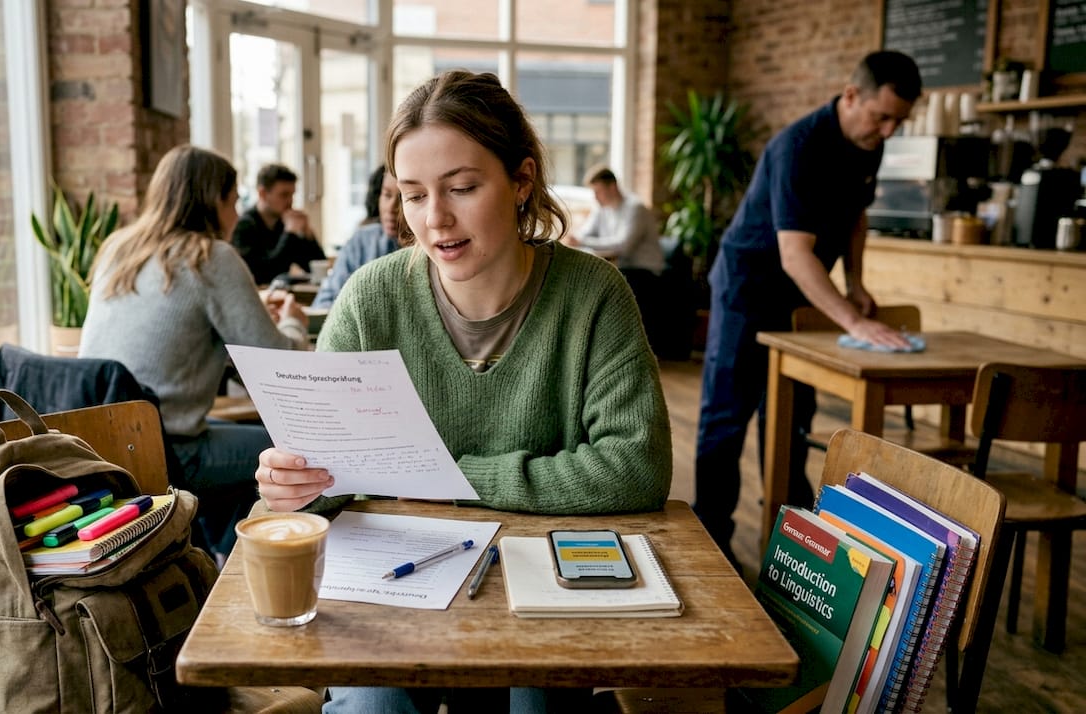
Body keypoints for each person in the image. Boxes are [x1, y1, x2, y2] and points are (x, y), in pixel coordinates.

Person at [255, 70, 673, 714]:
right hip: (391, 584)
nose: (435, 219)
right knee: (374, 710)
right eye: (413, 195)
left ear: (522, 180)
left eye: (462, 188)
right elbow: (331, 478)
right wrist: (295, 483)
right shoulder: (369, 300)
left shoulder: (594, 294)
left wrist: (451, 478)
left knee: (538, 703)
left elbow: (635, 467)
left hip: (541, 580)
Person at [693, 50, 920, 567]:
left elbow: (857, 216)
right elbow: (795, 255)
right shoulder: (798, 147)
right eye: (881, 117)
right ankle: (710, 546)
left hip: (801, 294)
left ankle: (789, 546)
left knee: (792, 419)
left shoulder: (869, 143)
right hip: (747, 289)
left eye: (898, 122)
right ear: (851, 96)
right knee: (726, 419)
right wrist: (855, 321)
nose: (887, 131)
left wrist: (856, 282)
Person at [79, 144, 310, 559]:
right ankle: (242, 565)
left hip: (99, 447)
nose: (237, 213)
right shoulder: (211, 256)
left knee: (240, 454)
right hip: (167, 451)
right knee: (293, 453)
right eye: (233, 200)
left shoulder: (119, 249)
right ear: (212, 201)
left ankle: (210, 559)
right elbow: (279, 365)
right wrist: (294, 321)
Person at [565, 165, 665, 352]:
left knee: (601, 279)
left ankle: (612, 346)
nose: (595, 197)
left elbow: (623, 246)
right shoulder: (601, 209)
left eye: (598, 192)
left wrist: (582, 241)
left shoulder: (635, 208)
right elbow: (583, 234)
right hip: (619, 267)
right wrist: (576, 238)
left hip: (644, 270)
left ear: (612, 187)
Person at [312, 165, 401, 309]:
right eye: (387, 195)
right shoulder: (362, 241)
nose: (391, 208)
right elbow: (325, 301)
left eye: (403, 198)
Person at [232, 163, 327, 284]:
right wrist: (289, 234)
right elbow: (262, 274)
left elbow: (316, 268)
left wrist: (308, 236)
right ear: (262, 194)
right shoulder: (244, 226)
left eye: (292, 195)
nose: (290, 201)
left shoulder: (284, 224)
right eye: (284, 195)